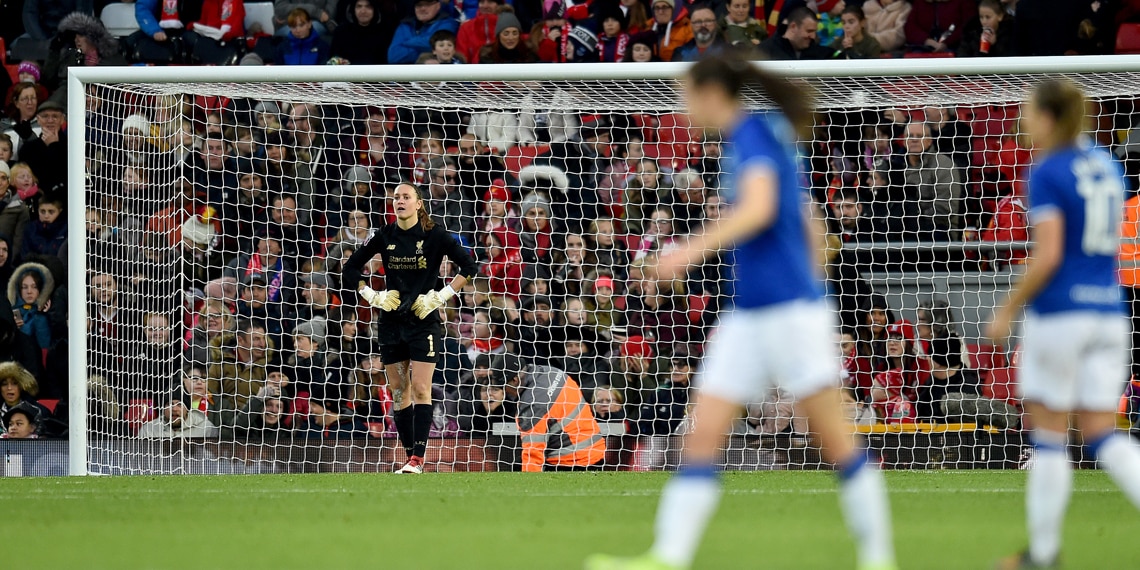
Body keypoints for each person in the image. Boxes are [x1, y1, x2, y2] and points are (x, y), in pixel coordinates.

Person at [587, 53, 895, 570]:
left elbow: (759, 209)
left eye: (686, 96)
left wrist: (686, 251)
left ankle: (879, 557)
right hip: (749, 314)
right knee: (702, 434)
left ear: (711, 92)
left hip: (789, 313)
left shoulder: (752, 135)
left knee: (836, 443)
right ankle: (667, 555)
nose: (682, 109)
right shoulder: (759, 136)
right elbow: (807, 219)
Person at [987, 79, 1140, 570]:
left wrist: (1009, 307)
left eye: (1029, 111)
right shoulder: (1106, 164)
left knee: (1050, 436)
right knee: (1103, 432)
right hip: (1109, 312)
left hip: (1062, 315)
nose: (1023, 120)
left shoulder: (1048, 170)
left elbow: (1049, 253)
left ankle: (1044, 553)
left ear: (1048, 117)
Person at [341, 182, 479, 474]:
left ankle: (417, 458)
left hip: (422, 322)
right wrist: (374, 296)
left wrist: (439, 297)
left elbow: (469, 266)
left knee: (420, 388)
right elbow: (350, 269)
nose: (399, 201)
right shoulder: (384, 235)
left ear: (418, 203)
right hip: (391, 322)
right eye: (395, 197)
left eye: (406, 197)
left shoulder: (435, 235)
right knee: (399, 391)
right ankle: (410, 458)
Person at [495, 354, 606, 472]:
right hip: (596, 451)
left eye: (504, 387)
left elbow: (533, 451)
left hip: (572, 462)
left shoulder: (533, 403)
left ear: (515, 380)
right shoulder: (552, 372)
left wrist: (528, 485)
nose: (505, 393)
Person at [388, 0, 459, 65]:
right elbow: (393, 56)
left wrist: (407, 42)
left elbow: (438, 46)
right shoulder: (405, 25)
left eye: (428, 4)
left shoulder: (448, 23)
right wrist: (427, 51)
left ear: (438, 5)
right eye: (419, 5)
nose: (422, 8)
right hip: (406, 74)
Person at [759, 7, 835, 60]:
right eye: (809, 31)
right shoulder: (765, 51)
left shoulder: (820, 53)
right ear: (793, 27)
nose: (813, 36)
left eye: (814, 31)